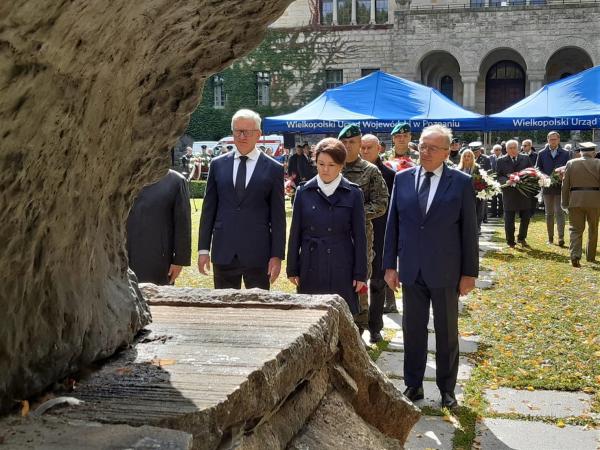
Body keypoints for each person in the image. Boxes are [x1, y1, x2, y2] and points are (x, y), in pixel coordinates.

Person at [383, 124, 478, 409]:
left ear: (448, 151)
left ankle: (447, 389)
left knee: (447, 331)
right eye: (422, 146)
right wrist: (389, 265)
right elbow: (393, 226)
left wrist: (469, 273)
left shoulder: (460, 182)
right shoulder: (402, 179)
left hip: (447, 270)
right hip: (411, 268)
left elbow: (469, 231)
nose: (425, 152)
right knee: (412, 329)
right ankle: (413, 384)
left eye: (432, 148)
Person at [197, 109, 286, 289]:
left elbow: (278, 217)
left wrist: (277, 255)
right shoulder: (217, 165)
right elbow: (208, 210)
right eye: (238, 131)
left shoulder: (273, 168)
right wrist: (203, 249)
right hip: (224, 251)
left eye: (248, 131)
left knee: (258, 311)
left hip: (258, 253)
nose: (242, 136)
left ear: (258, 135)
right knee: (225, 311)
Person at [287, 138, 368, 313]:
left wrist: (360, 273)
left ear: (341, 165)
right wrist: (292, 268)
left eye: (331, 165)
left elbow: (360, 236)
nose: (325, 169)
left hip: (342, 263)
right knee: (310, 316)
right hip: (311, 262)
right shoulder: (303, 192)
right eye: (321, 163)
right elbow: (295, 233)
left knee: (341, 316)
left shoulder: (353, 194)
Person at [339, 124, 388, 334]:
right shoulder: (332, 166)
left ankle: (360, 329)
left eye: (352, 142)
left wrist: (353, 213)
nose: (348, 146)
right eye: (344, 142)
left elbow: (381, 203)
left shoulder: (370, 171)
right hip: (334, 239)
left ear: (360, 144)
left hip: (361, 239)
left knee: (359, 284)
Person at [127, 169, 192, 285]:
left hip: (158, 258)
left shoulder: (176, 181)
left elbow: (183, 224)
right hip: (123, 256)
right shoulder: (121, 179)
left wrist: (179, 260)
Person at [360, 134, 395, 343]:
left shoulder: (389, 175)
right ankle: (359, 326)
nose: (364, 151)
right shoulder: (350, 172)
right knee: (358, 282)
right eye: (362, 148)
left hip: (381, 234)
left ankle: (375, 326)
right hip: (359, 235)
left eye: (369, 148)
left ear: (379, 149)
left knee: (378, 284)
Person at [561, 143, 600, 267]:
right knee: (593, 229)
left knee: (575, 229)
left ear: (580, 152)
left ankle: (575, 255)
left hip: (575, 200)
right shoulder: (598, 163)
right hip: (595, 200)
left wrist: (564, 202)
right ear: (593, 152)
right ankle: (590, 256)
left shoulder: (571, 163)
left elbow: (565, 185)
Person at [496, 139, 534, 248]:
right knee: (509, 219)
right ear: (506, 149)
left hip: (524, 193)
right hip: (509, 193)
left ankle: (521, 238)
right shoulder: (501, 161)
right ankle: (510, 241)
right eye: (510, 148)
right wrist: (506, 181)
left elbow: (532, 172)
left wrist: (524, 179)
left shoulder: (526, 158)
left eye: (514, 148)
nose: (512, 150)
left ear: (518, 148)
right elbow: (498, 176)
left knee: (525, 218)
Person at [536, 131, 570, 246]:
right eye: (551, 139)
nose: (553, 141)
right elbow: (537, 168)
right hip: (547, 187)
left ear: (559, 140)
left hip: (560, 187)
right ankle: (550, 238)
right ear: (547, 140)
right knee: (549, 213)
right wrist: (543, 176)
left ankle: (561, 238)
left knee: (560, 213)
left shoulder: (566, 153)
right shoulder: (541, 153)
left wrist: (562, 174)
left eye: (555, 139)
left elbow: (569, 169)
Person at [458, 149, 484, 234]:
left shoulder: (477, 168)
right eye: (464, 156)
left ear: (472, 157)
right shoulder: (458, 168)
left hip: (475, 195)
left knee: (476, 213)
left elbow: (482, 181)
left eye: (468, 156)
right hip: (462, 196)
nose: (466, 158)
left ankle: (476, 228)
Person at [489, 145, 504, 218]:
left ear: (501, 150)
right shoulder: (490, 158)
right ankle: (493, 213)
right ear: (493, 151)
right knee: (493, 198)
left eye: (499, 150)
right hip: (492, 181)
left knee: (501, 198)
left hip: (501, 181)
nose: (497, 151)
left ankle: (500, 213)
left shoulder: (504, 158)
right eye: (496, 150)